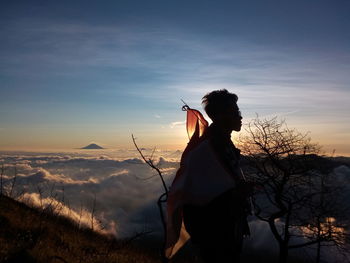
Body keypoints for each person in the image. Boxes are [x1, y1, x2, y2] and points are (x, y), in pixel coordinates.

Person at [165, 89, 253, 263]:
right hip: (215, 230)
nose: (240, 117)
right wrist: (237, 191)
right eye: (235, 112)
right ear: (220, 116)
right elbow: (201, 196)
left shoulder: (219, 143)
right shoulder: (208, 149)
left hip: (222, 226)